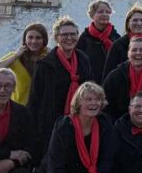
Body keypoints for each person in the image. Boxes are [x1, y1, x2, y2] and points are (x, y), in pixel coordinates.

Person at [30, 82, 119, 173]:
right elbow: (54, 169)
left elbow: (106, 162)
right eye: (88, 99)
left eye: (98, 99)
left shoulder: (104, 123)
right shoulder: (64, 126)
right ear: (78, 102)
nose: (94, 103)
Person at [28, 17, 96, 150]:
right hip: (52, 124)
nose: (69, 38)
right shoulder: (45, 64)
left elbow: (91, 87)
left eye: (73, 34)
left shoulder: (83, 59)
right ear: (56, 37)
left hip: (80, 120)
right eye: (64, 35)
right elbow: (35, 99)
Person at [103, 36, 142, 120]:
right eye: (134, 50)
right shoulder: (115, 76)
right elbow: (106, 104)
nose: (138, 53)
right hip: (119, 122)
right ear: (128, 53)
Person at [0, 23, 49, 105]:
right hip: (19, 107)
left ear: (44, 40)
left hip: (42, 107)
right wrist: (16, 56)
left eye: (38, 38)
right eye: (30, 37)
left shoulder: (49, 57)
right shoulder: (16, 58)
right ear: (25, 40)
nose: (34, 41)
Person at [103, 5, 142, 81]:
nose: (139, 23)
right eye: (135, 20)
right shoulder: (118, 45)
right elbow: (108, 75)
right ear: (128, 23)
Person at [76, 0, 120, 84]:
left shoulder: (116, 38)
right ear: (92, 15)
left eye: (107, 12)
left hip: (112, 83)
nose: (104, 14)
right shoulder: (84, 39)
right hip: (90, 84)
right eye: (100, 11)